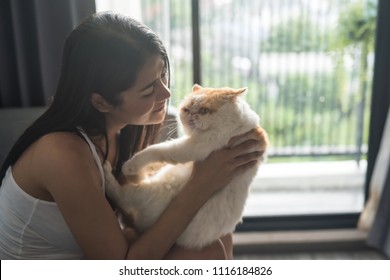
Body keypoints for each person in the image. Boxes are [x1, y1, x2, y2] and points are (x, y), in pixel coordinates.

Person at [0, 12, 264, 260]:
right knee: (208, 253)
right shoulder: (62, 154)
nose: (166, 94)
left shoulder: (119, 130)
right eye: (149, 90)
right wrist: (201, 184)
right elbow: (122, 266)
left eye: (162, 75)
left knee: (219, 237)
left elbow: (132, 214)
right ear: (101, 102)